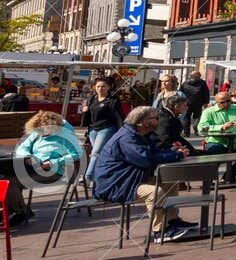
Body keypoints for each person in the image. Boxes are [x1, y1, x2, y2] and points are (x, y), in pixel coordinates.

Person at [92, 105, 195, 241]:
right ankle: (160, 231)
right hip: (116, 184)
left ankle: (171, 220)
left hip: (130, 179)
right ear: (144, 121)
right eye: (156, 118)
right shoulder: (127, 138)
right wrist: (177, 155)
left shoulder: (139, 134)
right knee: (154, 192)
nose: (159, 121)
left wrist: (174, 152)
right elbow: (145, 159)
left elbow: (154, 152)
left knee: (170, 181)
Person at [13, 110, 85, 218]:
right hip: (33, 167)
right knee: (5, 179)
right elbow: (22, 148)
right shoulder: (37, 132)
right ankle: (16, 210)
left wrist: (53, 162)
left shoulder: (65, 135)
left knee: (10, 183)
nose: (39, 134)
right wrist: (28, 155)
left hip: (54, 171)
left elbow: (78, 153)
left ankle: (20, 212)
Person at [82, 77, 122, 182]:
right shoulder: (92, 99)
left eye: (103, 86)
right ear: (95, 87)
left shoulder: (113, 100)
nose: (101, 88)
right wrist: (85, 111)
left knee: (96, 152)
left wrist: (121, 130)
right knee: (101, 153)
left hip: (106, 128)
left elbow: (118, 115)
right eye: (98, 86)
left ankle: (88, 176)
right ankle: (103, 175)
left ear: (108, 87)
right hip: (93, 129)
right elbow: (89, 114)